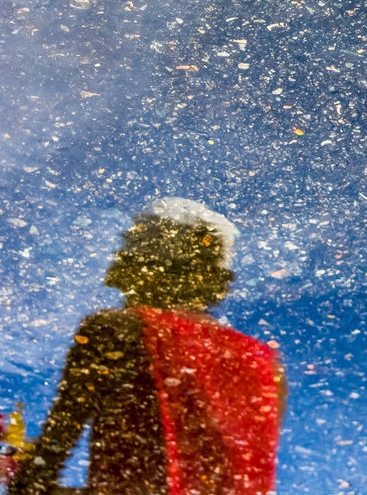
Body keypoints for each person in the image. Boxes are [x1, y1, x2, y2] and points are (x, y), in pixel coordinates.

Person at [8, 198, 283, 495]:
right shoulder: (264, 362)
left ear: (140, 268)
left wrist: (15, 474)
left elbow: (40, 476)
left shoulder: (113, 331)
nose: (114, 268)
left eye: (125, 255)